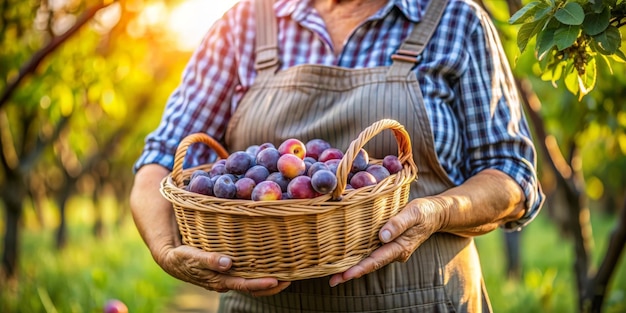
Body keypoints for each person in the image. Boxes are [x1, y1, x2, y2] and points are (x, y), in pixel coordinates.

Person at [130, 0, 545, 311]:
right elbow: (162, 158)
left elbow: (512, 174)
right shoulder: (244, 24)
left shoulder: (455, 18)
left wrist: (437, 210)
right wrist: (167, 251)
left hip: (424, 298)